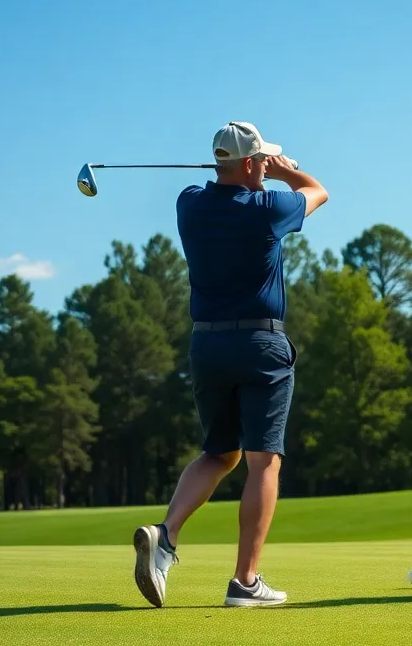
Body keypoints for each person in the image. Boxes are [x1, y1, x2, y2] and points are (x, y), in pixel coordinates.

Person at [132, 121, 328, 608]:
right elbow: (318, 192)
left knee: (220, 453)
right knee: (264, 460)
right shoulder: (268, 209)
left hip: (207, 348)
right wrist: (285, 172)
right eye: (262, 158)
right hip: (261, 346)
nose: (269, 163)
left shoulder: (189, 205)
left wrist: (249, 167)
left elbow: (215, 187)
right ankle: (245, 581)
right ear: (248, 163)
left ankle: (166, 535)